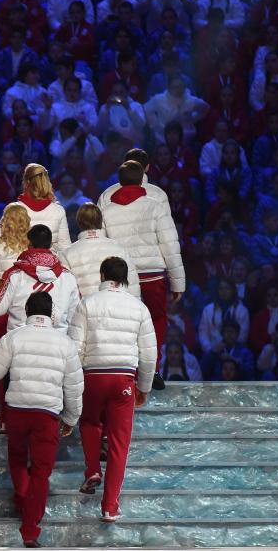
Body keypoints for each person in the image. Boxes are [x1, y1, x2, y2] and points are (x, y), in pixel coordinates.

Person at [68, 257, 156, 522]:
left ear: (102, 274)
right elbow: (149, 355)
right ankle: (109, 507)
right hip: (124, 380)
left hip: (93, 376)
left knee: (90, 422)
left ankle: (93, 469)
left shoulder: (87, 303)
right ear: (126, 277)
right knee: (119, 444)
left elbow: (75, 348)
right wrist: (144, 387)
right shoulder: (138, 307)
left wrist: (73, 383)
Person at [0, 291, 83, 548]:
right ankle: (30, 529)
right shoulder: (64, 343)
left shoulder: (13, 337)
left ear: (27, 311)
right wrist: (71, 417)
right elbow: (74, 386)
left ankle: (22, 496)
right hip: (47, 414)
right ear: (52, 313)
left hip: (17, 410)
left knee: (18, 458)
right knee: (41, 473)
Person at [101, 161, 184, 390]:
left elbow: (103, 247)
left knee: (126, 324)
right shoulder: (155, 206)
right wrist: (178, 282)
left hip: (121, 276)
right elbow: (170, 245)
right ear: (142, 180)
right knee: (156, 320)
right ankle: (152, 370)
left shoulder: (106, 210)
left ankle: (129, 373)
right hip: (151, 277)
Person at [0, 225, 80, 333]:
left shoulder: (14, 275)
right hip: (58, 344)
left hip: (19, 342)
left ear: (29, 244)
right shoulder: (68, 277)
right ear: (50, 245)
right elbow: (75, 319)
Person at [61, 203, 140, 298]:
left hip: (84, 309)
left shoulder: (66, 253)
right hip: (117, 305)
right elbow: (132, 285)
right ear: (101, 221)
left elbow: (66, 290)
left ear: (79, 222)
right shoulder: (118, 248)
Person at [14, 163, 71, 252]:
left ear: (26, 182)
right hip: (51, 264)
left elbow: (6, 242)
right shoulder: (58, 210)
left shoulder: (14, 210)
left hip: (22, 263)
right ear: (47, 181)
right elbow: (65, 247)